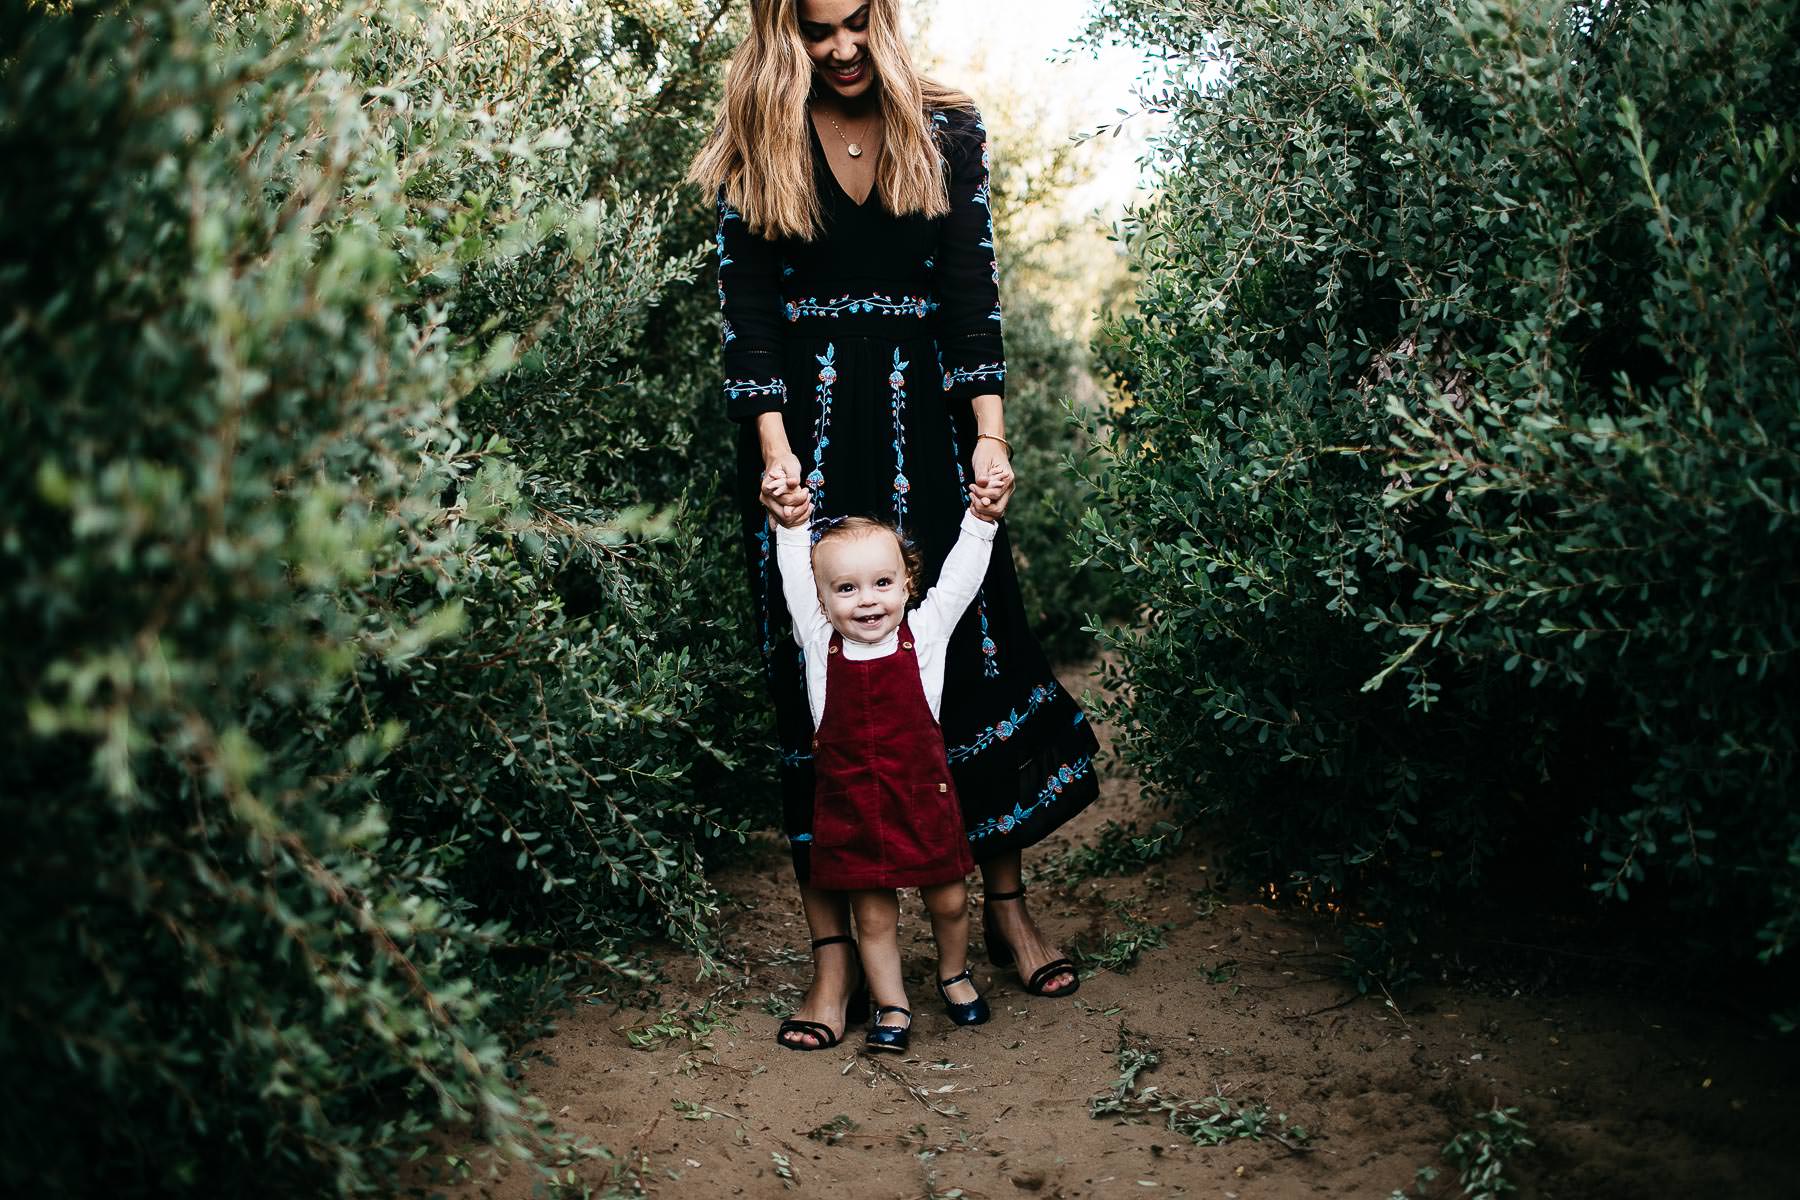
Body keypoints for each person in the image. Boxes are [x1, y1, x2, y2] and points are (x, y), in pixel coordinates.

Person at [688, 0, 1101, 1052]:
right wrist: (776, 458)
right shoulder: (756, 132)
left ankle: (1003, 913)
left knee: (970, 655)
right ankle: (834, 968)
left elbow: (973, 294)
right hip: (805, 447)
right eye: (816, 29)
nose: (839, 48)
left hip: (929, 425)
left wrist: (991, 438)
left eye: (856, 22)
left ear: (886, 13)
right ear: (782, 27)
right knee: (817, 682)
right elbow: (749, 318)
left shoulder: (948, 124)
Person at [771, 503, 997, 1052]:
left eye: (882, 583)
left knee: (947, 902)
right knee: (874, 918)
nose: (867, 598)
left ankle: (954, 974)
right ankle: (891, 1003)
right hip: (855, 809)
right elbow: (792, 572)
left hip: (921, 799)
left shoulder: (925, 634)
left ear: (907, 584)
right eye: (845, 589)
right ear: (821, 599)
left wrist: (981, 522)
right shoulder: (820, 647)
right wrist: (793, 528)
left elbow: (964, 576)